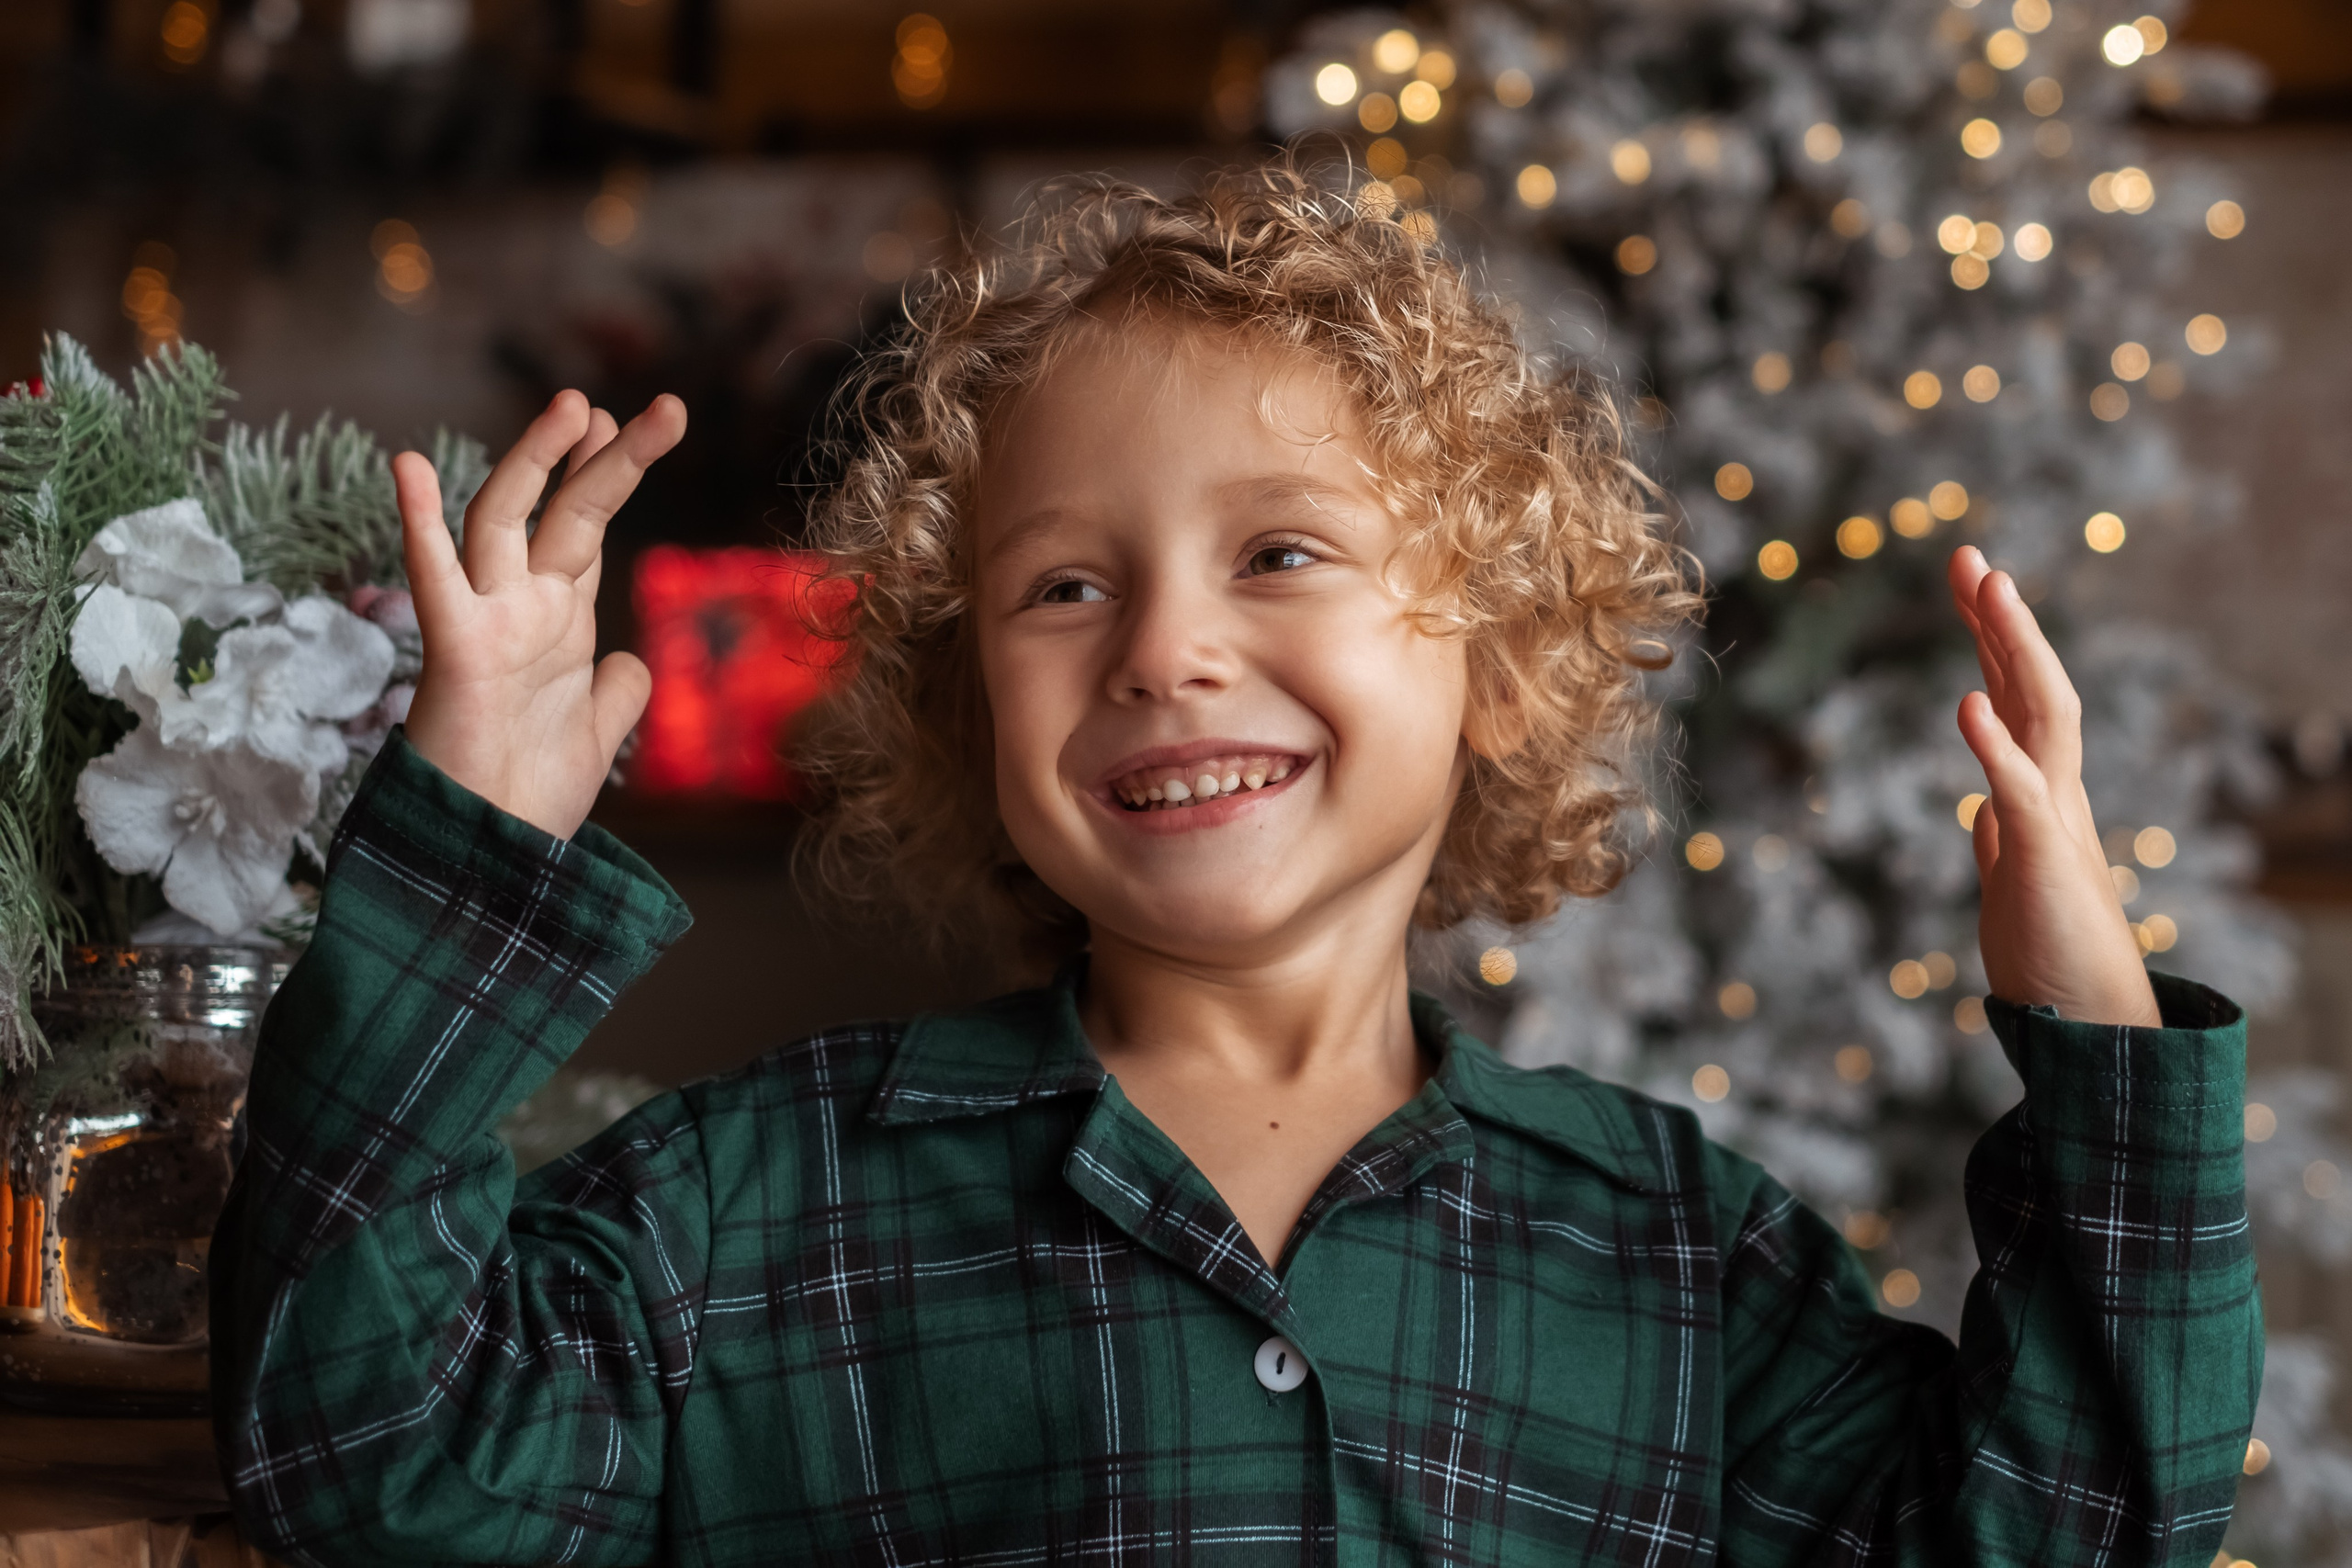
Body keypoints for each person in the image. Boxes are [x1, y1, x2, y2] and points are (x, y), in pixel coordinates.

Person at [209, 166, 2258, 1567]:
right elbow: (360, 1454)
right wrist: (465, 839)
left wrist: (2089, 1024)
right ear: (960, 703)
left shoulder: (1678, 1259)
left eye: (1278, 551)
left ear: (1494, 658)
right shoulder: (739, 1209)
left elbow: (2071, 1530)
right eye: (1062, 584)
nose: (1163, 646)